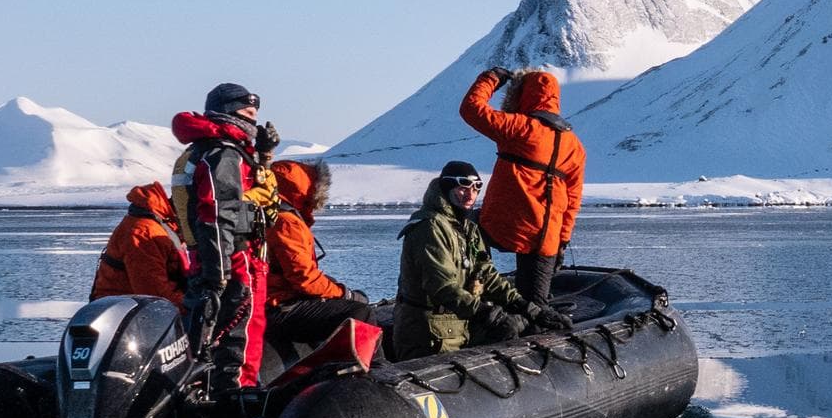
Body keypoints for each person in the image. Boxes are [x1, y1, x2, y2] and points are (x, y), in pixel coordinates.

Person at [391, 160, 567, 357]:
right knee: (503, 326)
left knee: (516, 325)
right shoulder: (430, 228)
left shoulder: (468, 229)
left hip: (458, 324)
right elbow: (443, 287)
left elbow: (488, 276)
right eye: (463, 187)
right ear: (447, 187)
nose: (471, 194)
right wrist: (492, 316)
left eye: (476, 188)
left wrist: (532, 310)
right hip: (428, 331)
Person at [171, 82, 277, 400]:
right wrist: (221, 271)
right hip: (232, 258)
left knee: (221, 328)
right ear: (229, 113)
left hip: (221, 255)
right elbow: (216, 212)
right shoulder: (222, 153)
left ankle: (219, 389)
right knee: (238, 330)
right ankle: (234, 396)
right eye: (247, 113)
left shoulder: (208, 149)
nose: (253, 120)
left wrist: (263, 155)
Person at [458, 65, 587, 311]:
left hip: (502, 226)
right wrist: (563, 240)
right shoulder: (574, 146)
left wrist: (491, 78)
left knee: (463, 225)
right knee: (536, 306)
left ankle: (473, 284)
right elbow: (573, 199)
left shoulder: (519, 127)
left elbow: (471, 108)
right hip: (546, 237)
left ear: (521, 95)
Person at [263, 158, 379, 351]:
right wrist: (346, 294)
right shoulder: (286, 222)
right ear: (304, 189)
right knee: (361, 313)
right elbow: (304, 279)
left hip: (274, 302)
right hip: (278, 307)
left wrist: (333, 288)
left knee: (334, 299)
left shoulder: (274, 217)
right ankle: (375, 371)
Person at [90, 180, 188, 302]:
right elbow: (154, 294)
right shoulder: (145, 233)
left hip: (138, 307)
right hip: (122, 312)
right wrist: (195, 306)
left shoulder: (165, 226)